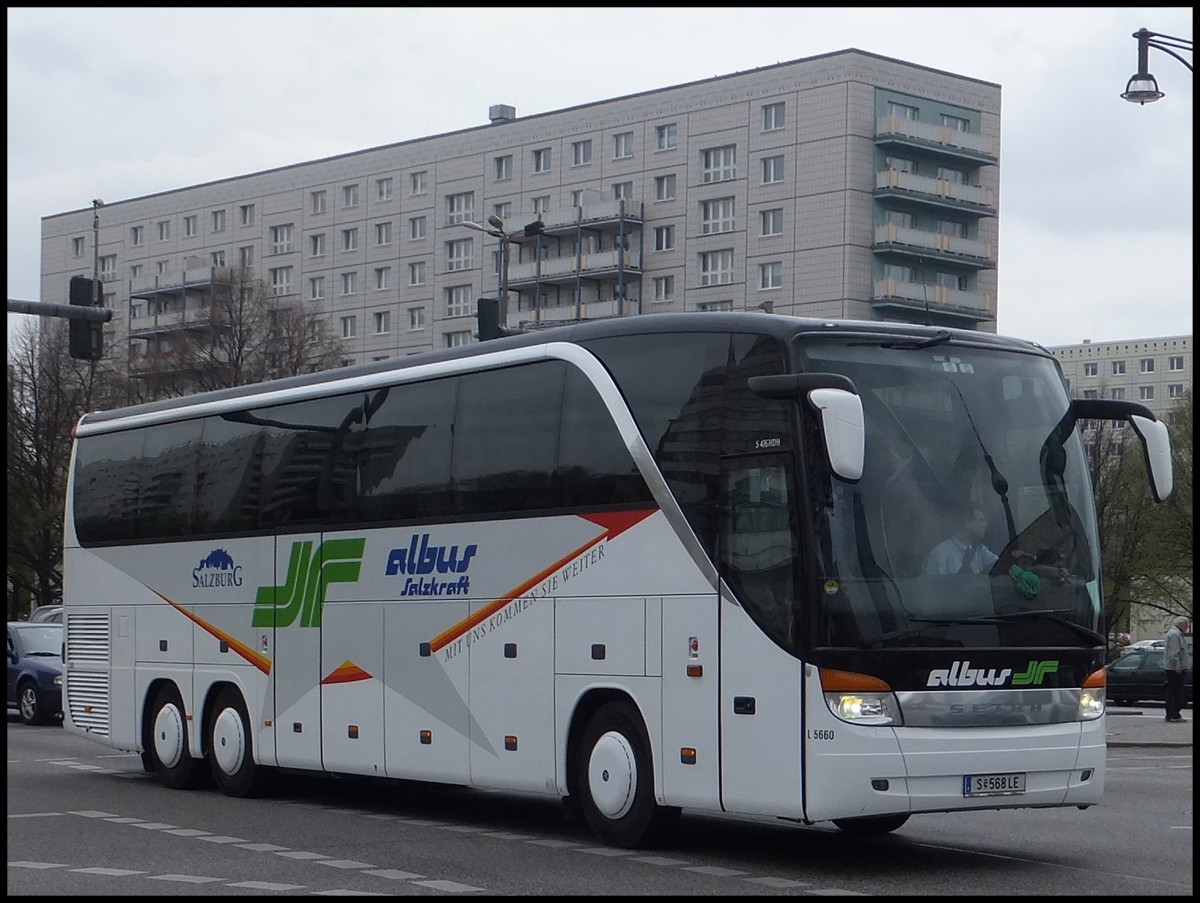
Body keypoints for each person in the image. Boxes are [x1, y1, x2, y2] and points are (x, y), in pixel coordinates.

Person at [922, 504, 1000, 575]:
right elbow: (934, 586)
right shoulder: (940, 553)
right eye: (980, 520)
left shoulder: (980, 550)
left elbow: (1001, 565)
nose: (985, 525)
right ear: (966, 524)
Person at [1162, 616, 1190, 723]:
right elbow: (1174, 651)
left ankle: (1171, 714)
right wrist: (1177, 664)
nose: (1187, 627)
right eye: (1186, 624)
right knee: (1176, 691)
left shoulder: (1175, 633)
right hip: (1175, 668)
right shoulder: (1175, 634)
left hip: (1173, 667)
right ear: (1181, 624)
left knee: (1174, 691)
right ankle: (1174, 714)